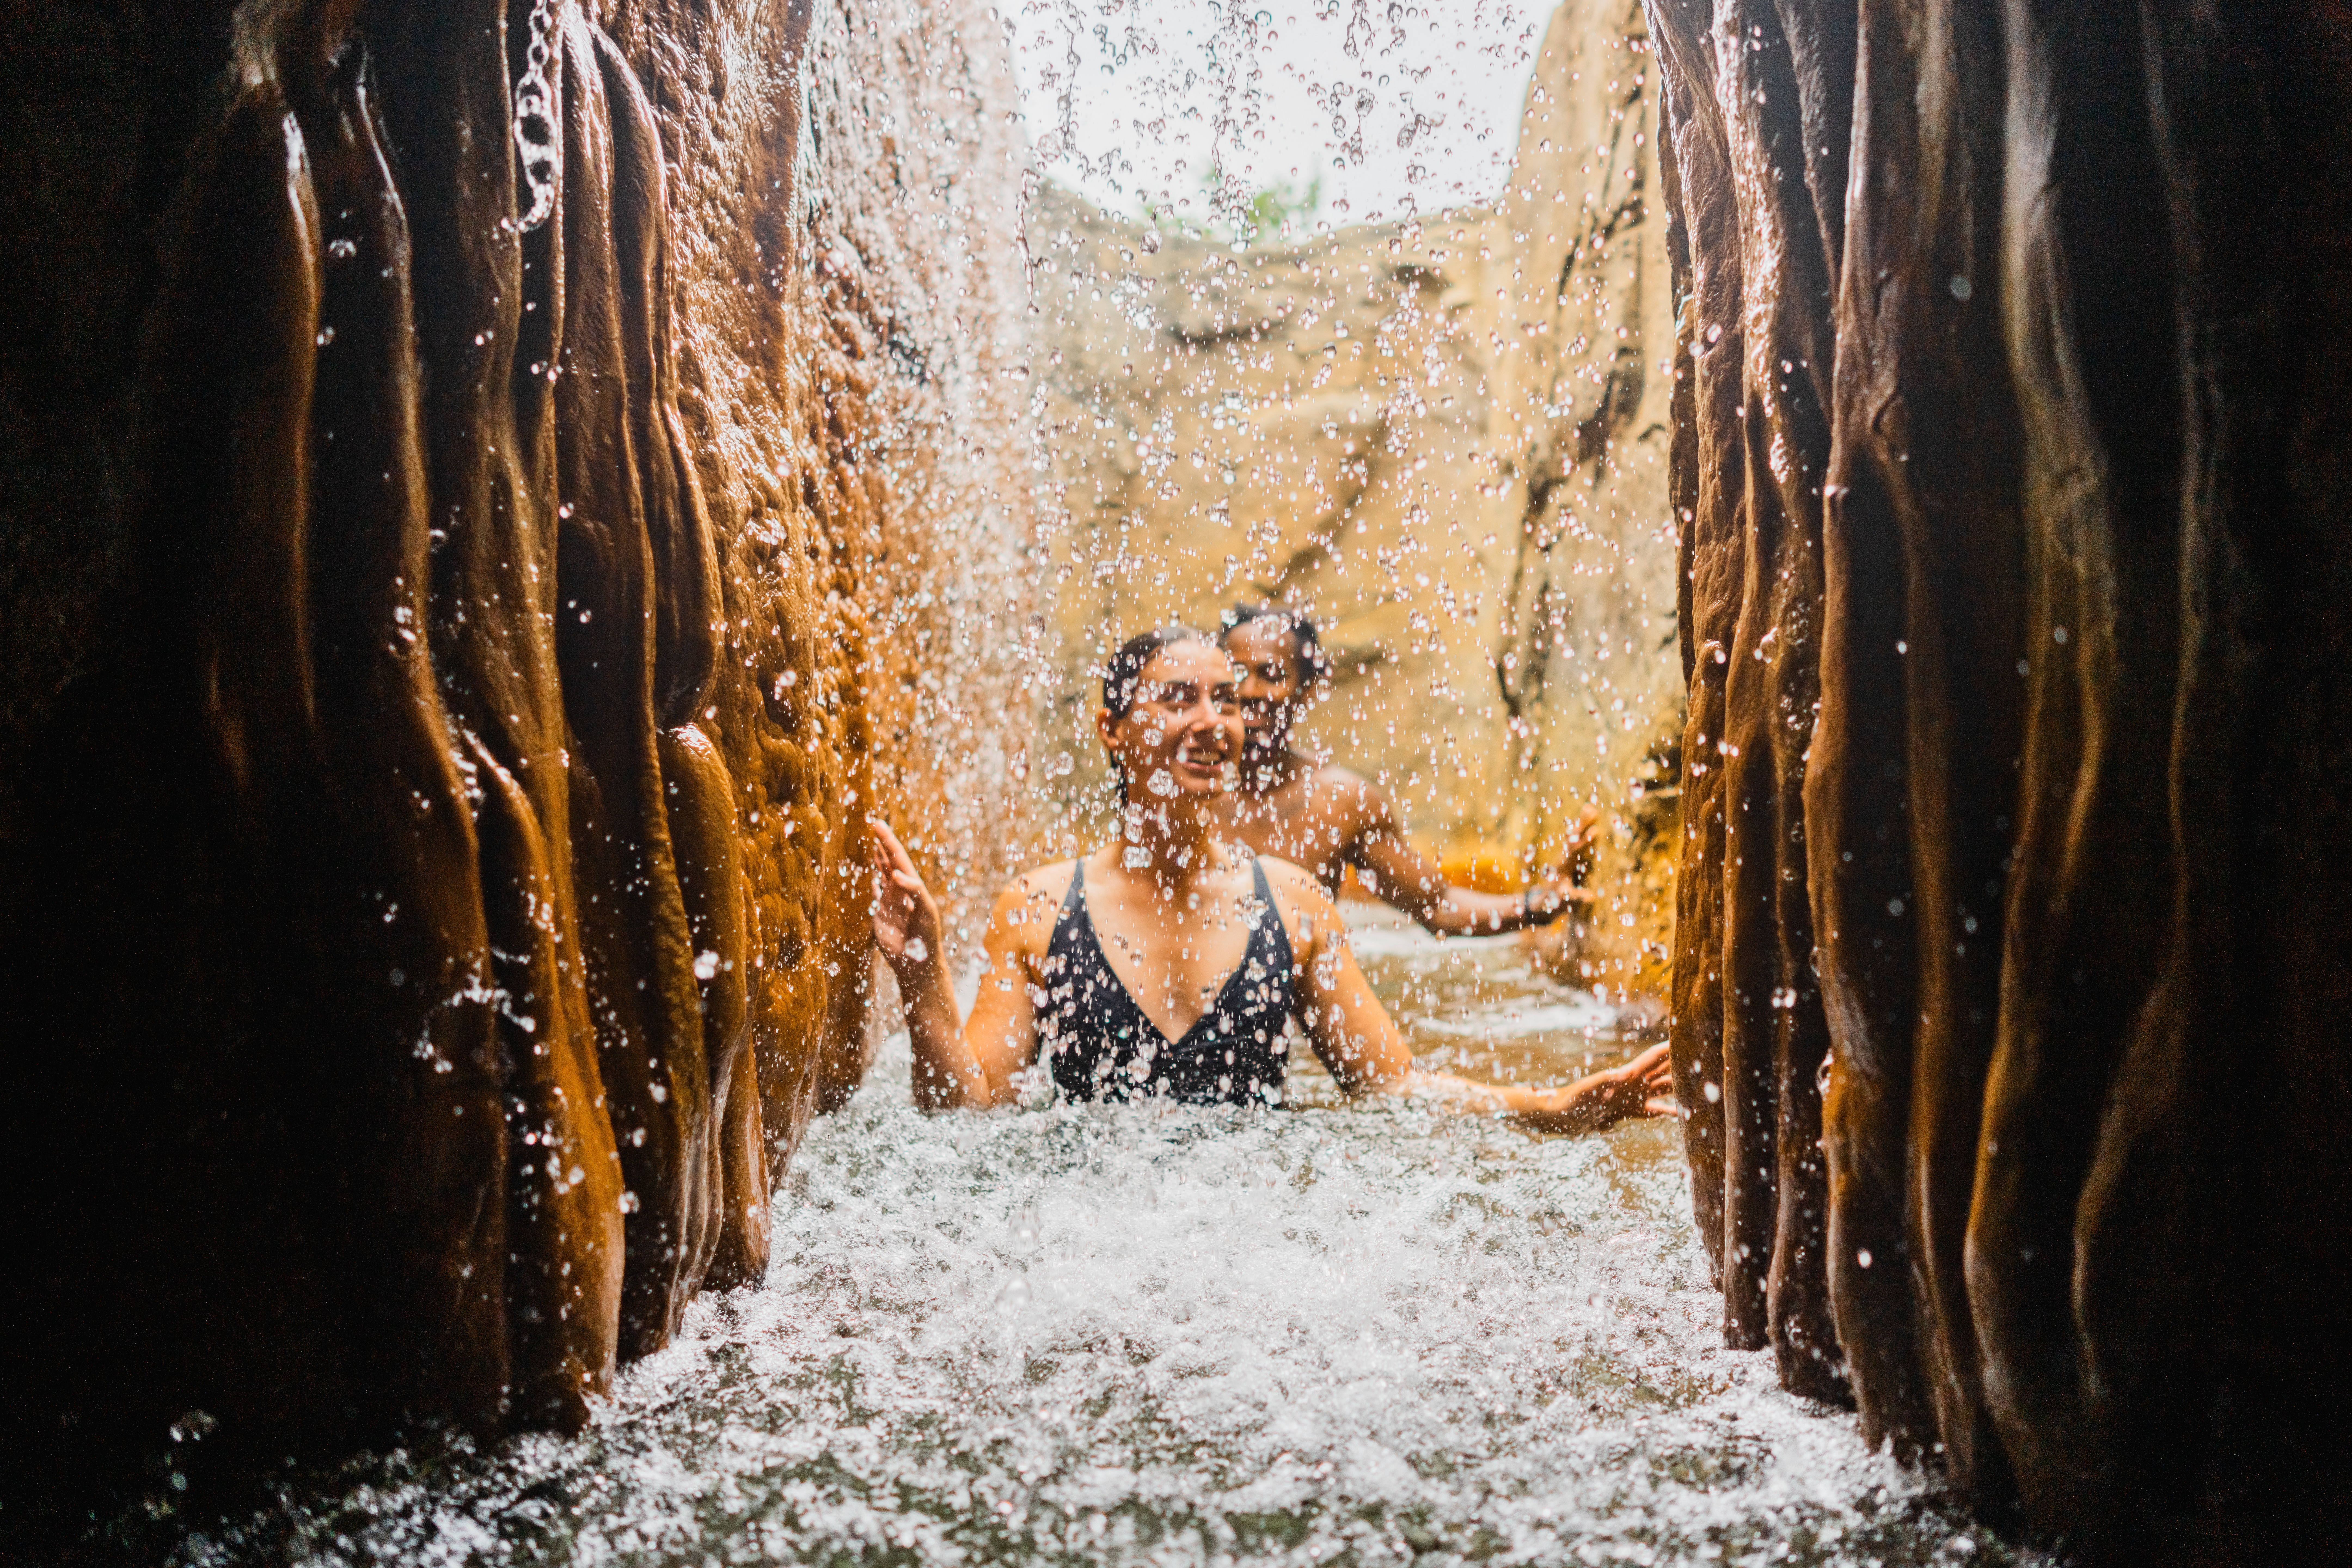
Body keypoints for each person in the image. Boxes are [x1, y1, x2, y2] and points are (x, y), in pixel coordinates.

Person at [868, 626, 1673, 1125]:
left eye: (1226, 702)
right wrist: (922, 974)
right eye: (1177, 700)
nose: (1214, 723)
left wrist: (1555, 1106)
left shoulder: (1292, 902)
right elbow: (965, 1112)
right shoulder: (1039, 910)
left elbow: (1395, 1090)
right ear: (1113, 731)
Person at [1213, 603, 1597, 936]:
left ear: (1308, 689)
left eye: (1273, 675)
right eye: (1236, 673)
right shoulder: (1176, 794)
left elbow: (1439, 907)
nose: (1249, 691)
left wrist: (1536, 905)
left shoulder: (1341, 803)